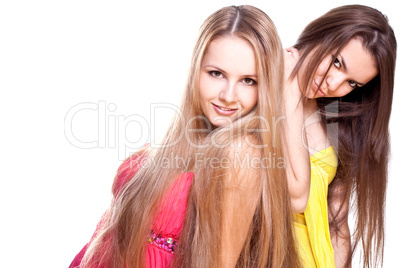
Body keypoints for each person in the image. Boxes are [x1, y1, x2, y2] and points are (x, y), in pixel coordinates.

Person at [70, 5, 300, 268]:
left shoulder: (242, 151)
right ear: (196, 69)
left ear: (267, 86)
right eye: (216, 74)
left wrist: (292, 91)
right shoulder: (184, 141)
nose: (228, 95)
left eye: (249, 80)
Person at [283, 4, 397, 267]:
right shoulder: (251, 82)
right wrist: (289, 96)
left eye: (352, 83)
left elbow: (337, 224)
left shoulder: (339, 121)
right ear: (320, 33)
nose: (333, 84)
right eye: (336, 62)